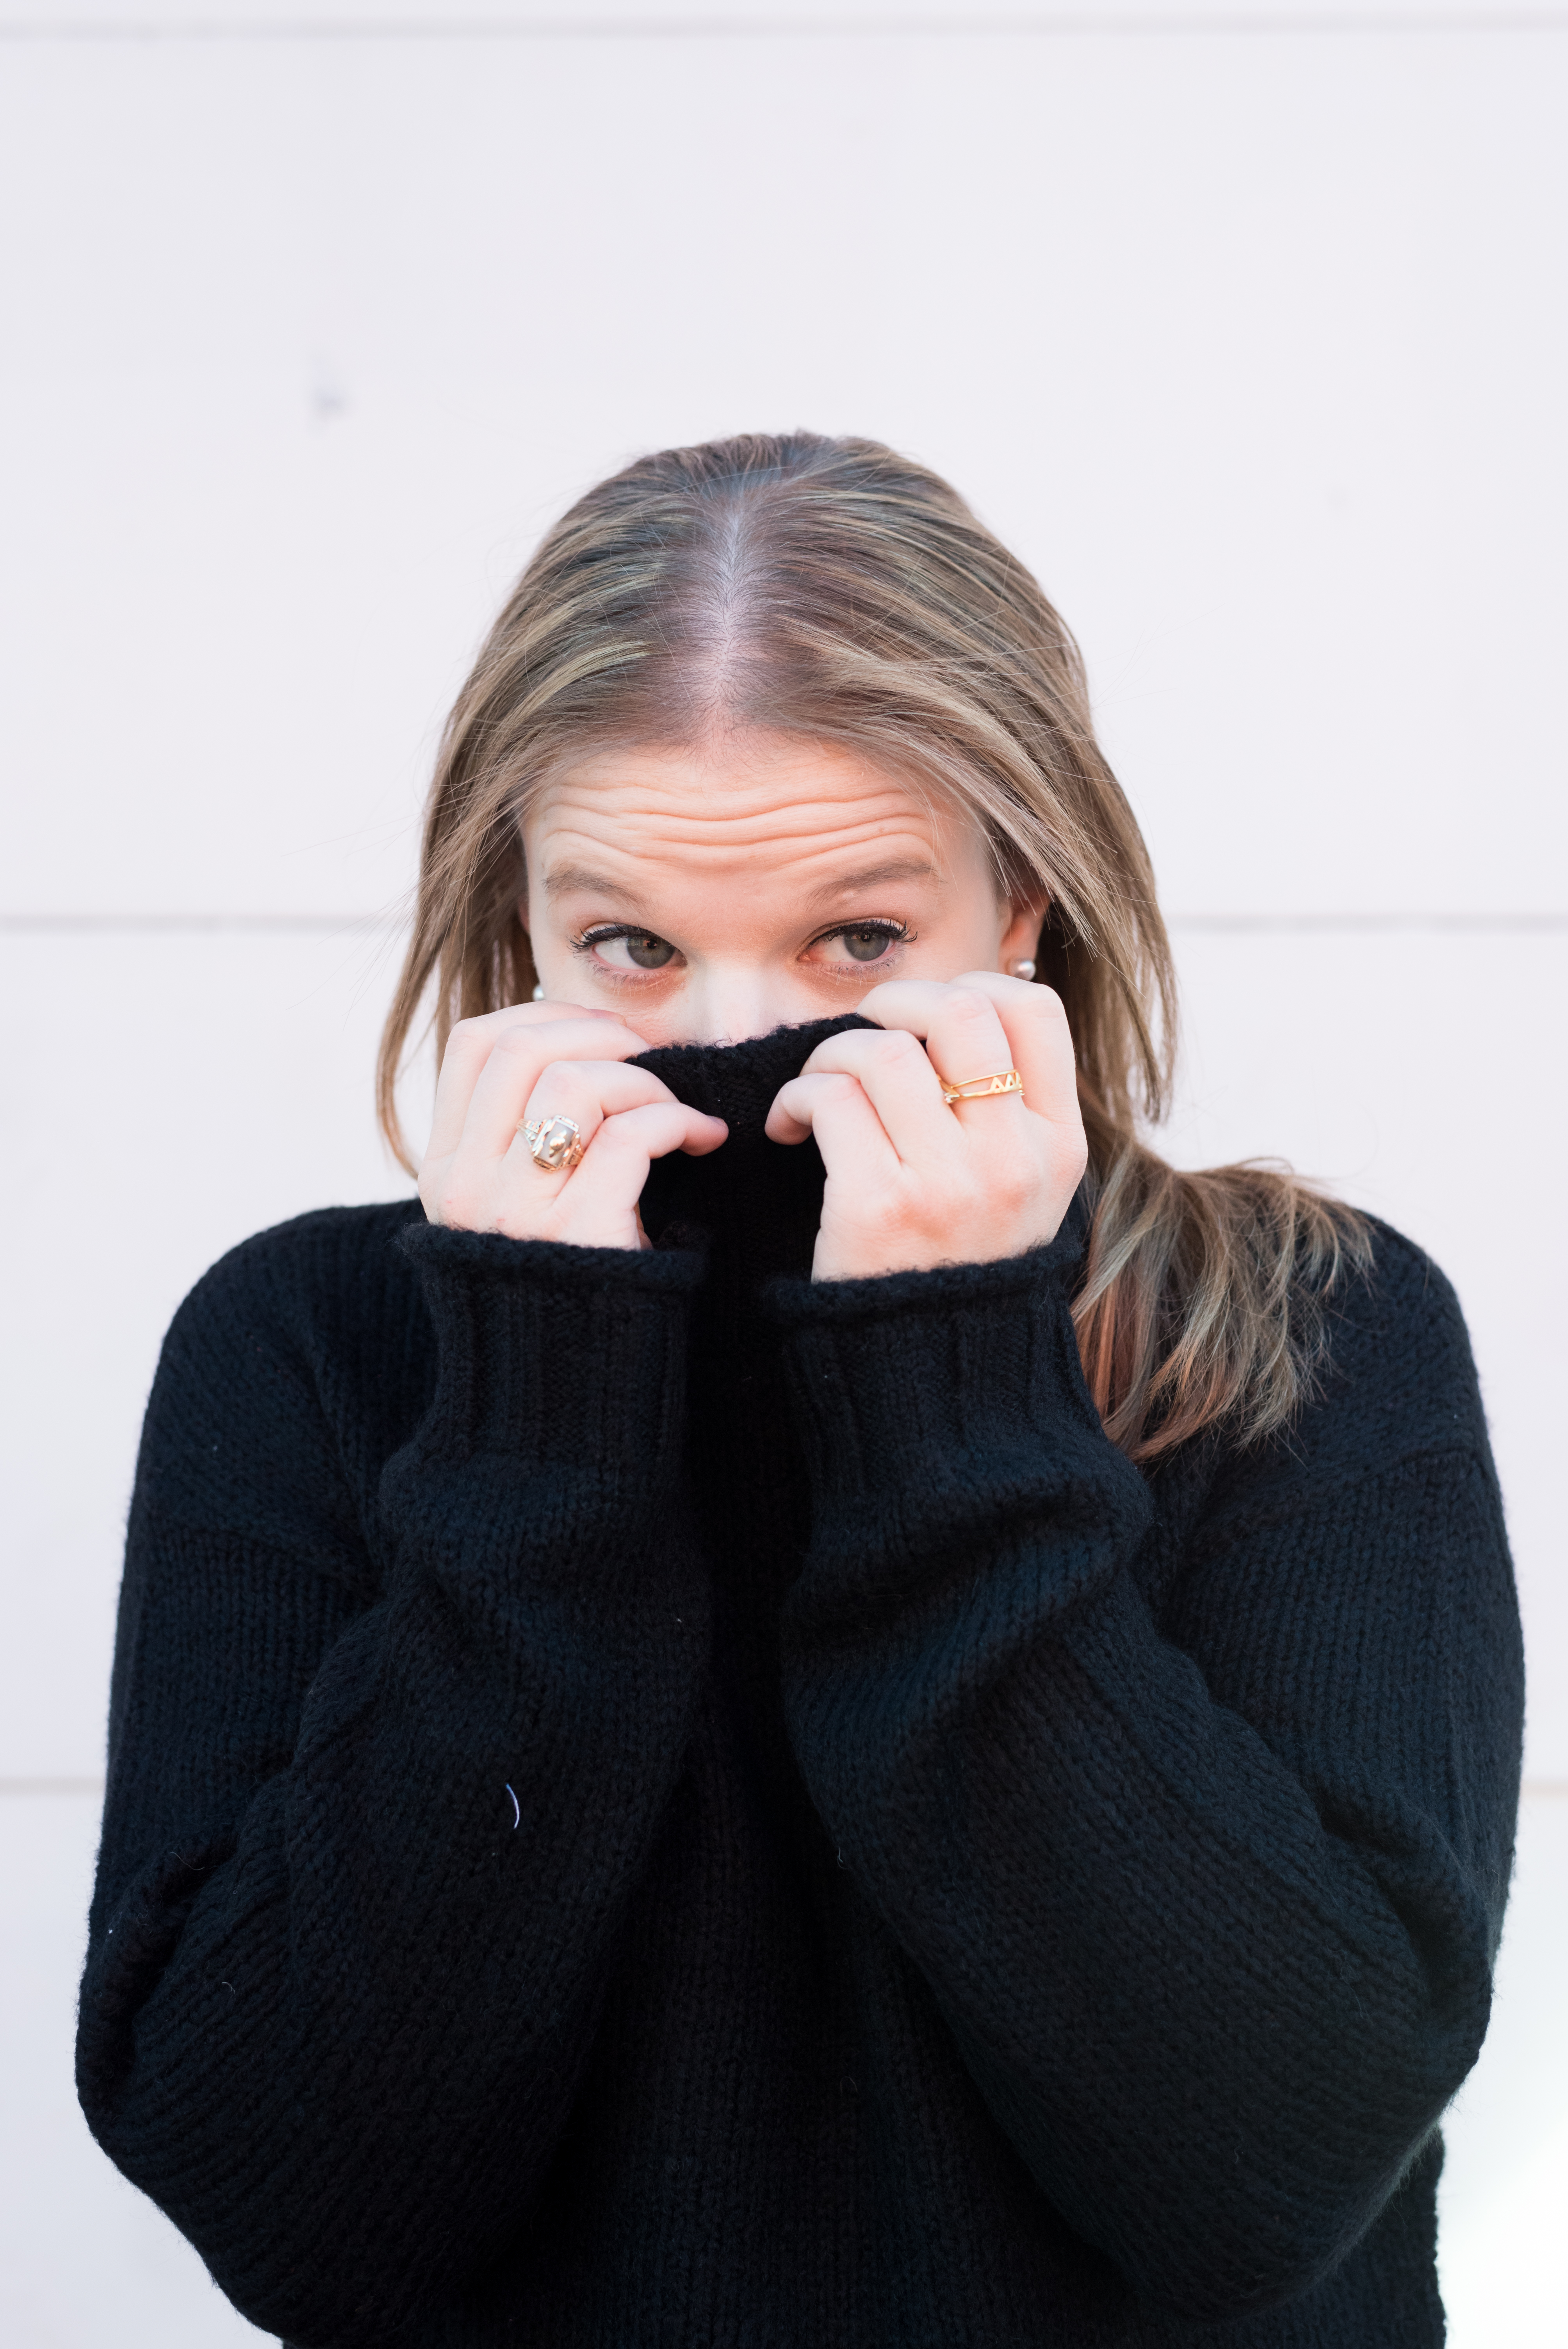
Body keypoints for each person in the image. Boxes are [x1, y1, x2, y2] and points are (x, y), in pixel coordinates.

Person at [78, 433, 1522, 2348]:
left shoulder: (1302, 1339)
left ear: (1021, 910)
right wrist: (534, 1423)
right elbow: (300, 2209)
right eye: (629, 947)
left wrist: (947, 1388)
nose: (735, 1041)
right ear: (515, 925)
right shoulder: (311, 1352)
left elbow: (1259, 2172)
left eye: (857, 937)